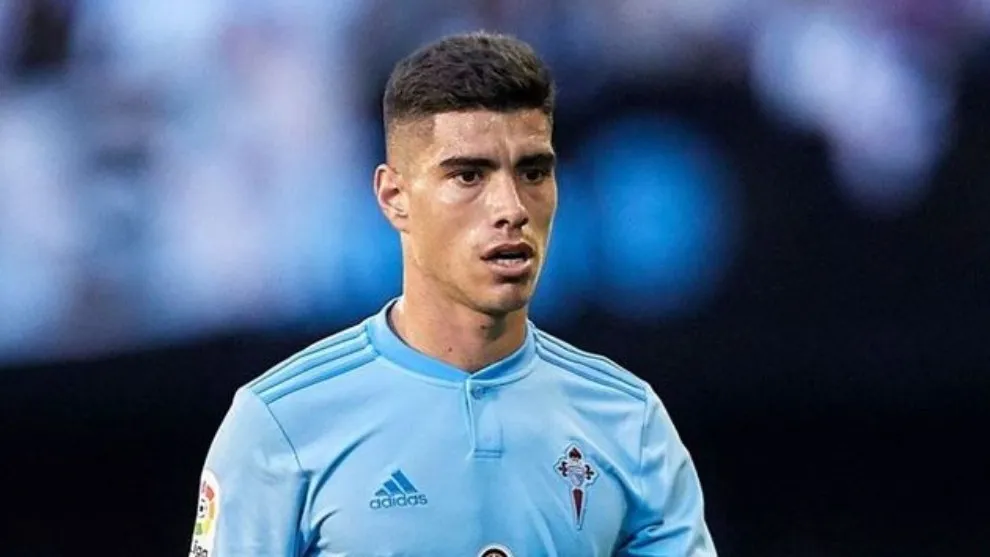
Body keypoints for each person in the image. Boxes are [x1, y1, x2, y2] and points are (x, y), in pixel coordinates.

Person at [189, 31, 717, 557]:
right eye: (469, 175)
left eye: (533, 172)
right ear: (394, 197)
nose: (512, 208)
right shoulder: (279, 424)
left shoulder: (628, 420)